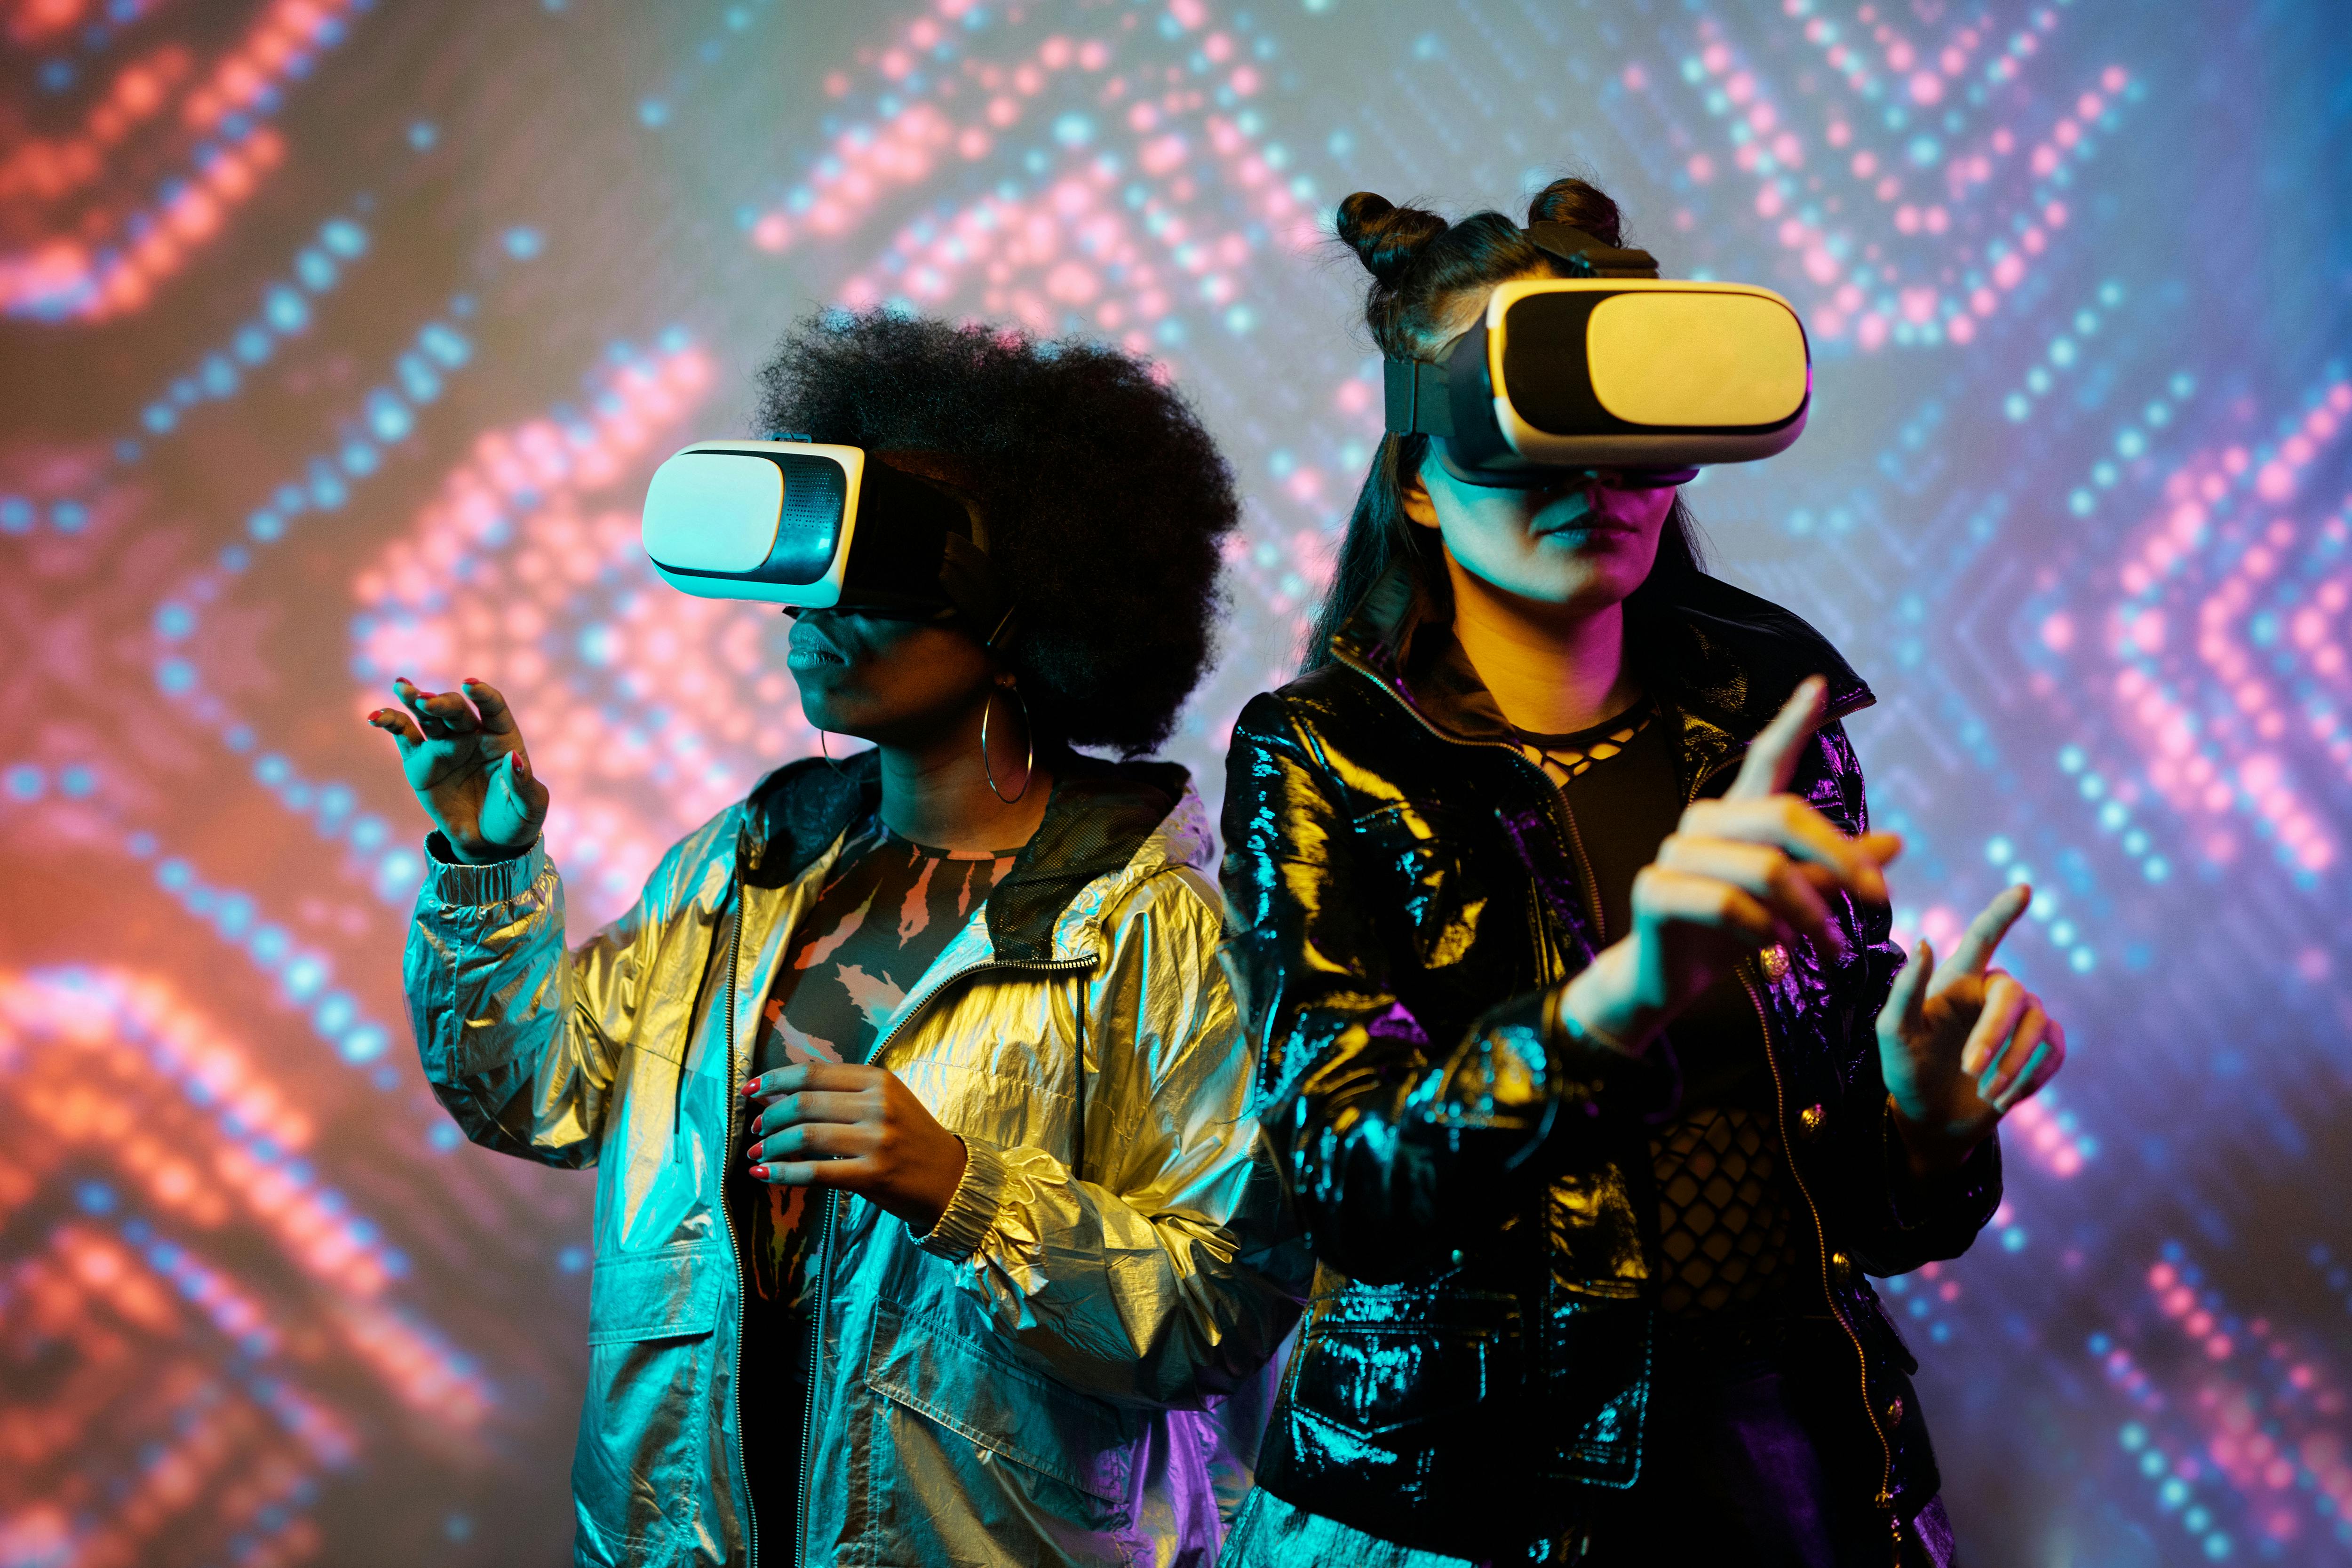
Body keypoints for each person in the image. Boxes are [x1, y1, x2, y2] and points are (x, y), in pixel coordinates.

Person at [1214, 180, 2068, 1566]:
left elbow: (1873, 1214)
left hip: (1795, 1464)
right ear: (1422, 483)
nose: (1595, 486)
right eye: (1535, 442)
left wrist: (1922, 1117)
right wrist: (1626, 996)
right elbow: (1351, 1187)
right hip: (1468, 1495)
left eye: (1635, 447)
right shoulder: (1321, 755)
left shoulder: (1764, 720)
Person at [371, 310, 1303, 1567]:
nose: (812, 614)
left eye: (874, 580)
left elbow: (1214, 1311)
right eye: (807, 575)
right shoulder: (742, 868)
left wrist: (959, 1188)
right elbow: (538, 1094)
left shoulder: (1146, 923)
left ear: (1025, 606)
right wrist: (487, 865)